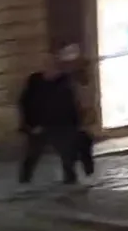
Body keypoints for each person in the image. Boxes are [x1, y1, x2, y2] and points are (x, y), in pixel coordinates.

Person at [17, 54, 84, 186]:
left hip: (61, 126)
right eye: (49, 65)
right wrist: (30, 124)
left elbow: (71, 104)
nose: (52, 68)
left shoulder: (64, 81)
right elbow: (25, 103)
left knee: (67, 155)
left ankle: (70, 181)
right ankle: (24, 182)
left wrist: (76, 124)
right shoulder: (35, 81)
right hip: (39, 126)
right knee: (32, 155)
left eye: (54, 65)